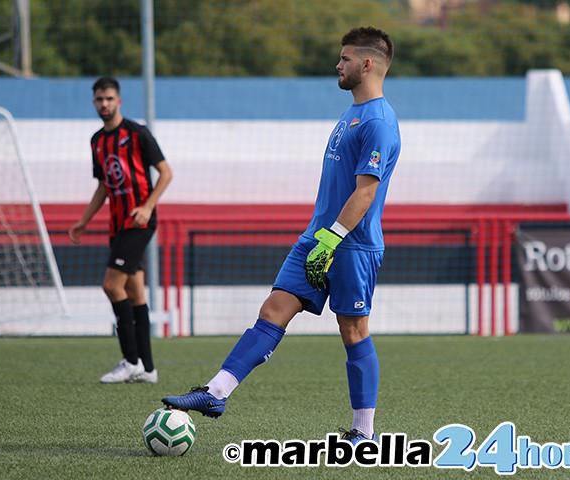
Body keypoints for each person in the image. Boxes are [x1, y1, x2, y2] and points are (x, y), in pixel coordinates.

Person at [162, 26, 400, 444]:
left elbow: (366, 191)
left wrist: (332, 240)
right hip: (318, 237)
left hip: (350, 244)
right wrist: (320, 238)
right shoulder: (352, 114)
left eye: (344, 59)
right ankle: (216, 393)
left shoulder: (379, 121)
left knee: (354, 331)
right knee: (273, 309)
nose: (337, 65)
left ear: (366, 64)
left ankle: (364, 433)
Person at [69, 76, 173, 384]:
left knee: (111, 286)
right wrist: (85, 220)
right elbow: (103, 185)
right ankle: (149, 369)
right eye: (99, 99)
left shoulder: (137, 133)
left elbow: (166, 173)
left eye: (109, 99)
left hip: (138, 222)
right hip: (116, 225)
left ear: (119, 101)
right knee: (133, 292)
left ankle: (130, 361)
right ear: (94, 103)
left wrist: (148, 206)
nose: (104, 104)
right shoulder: (97, 141)